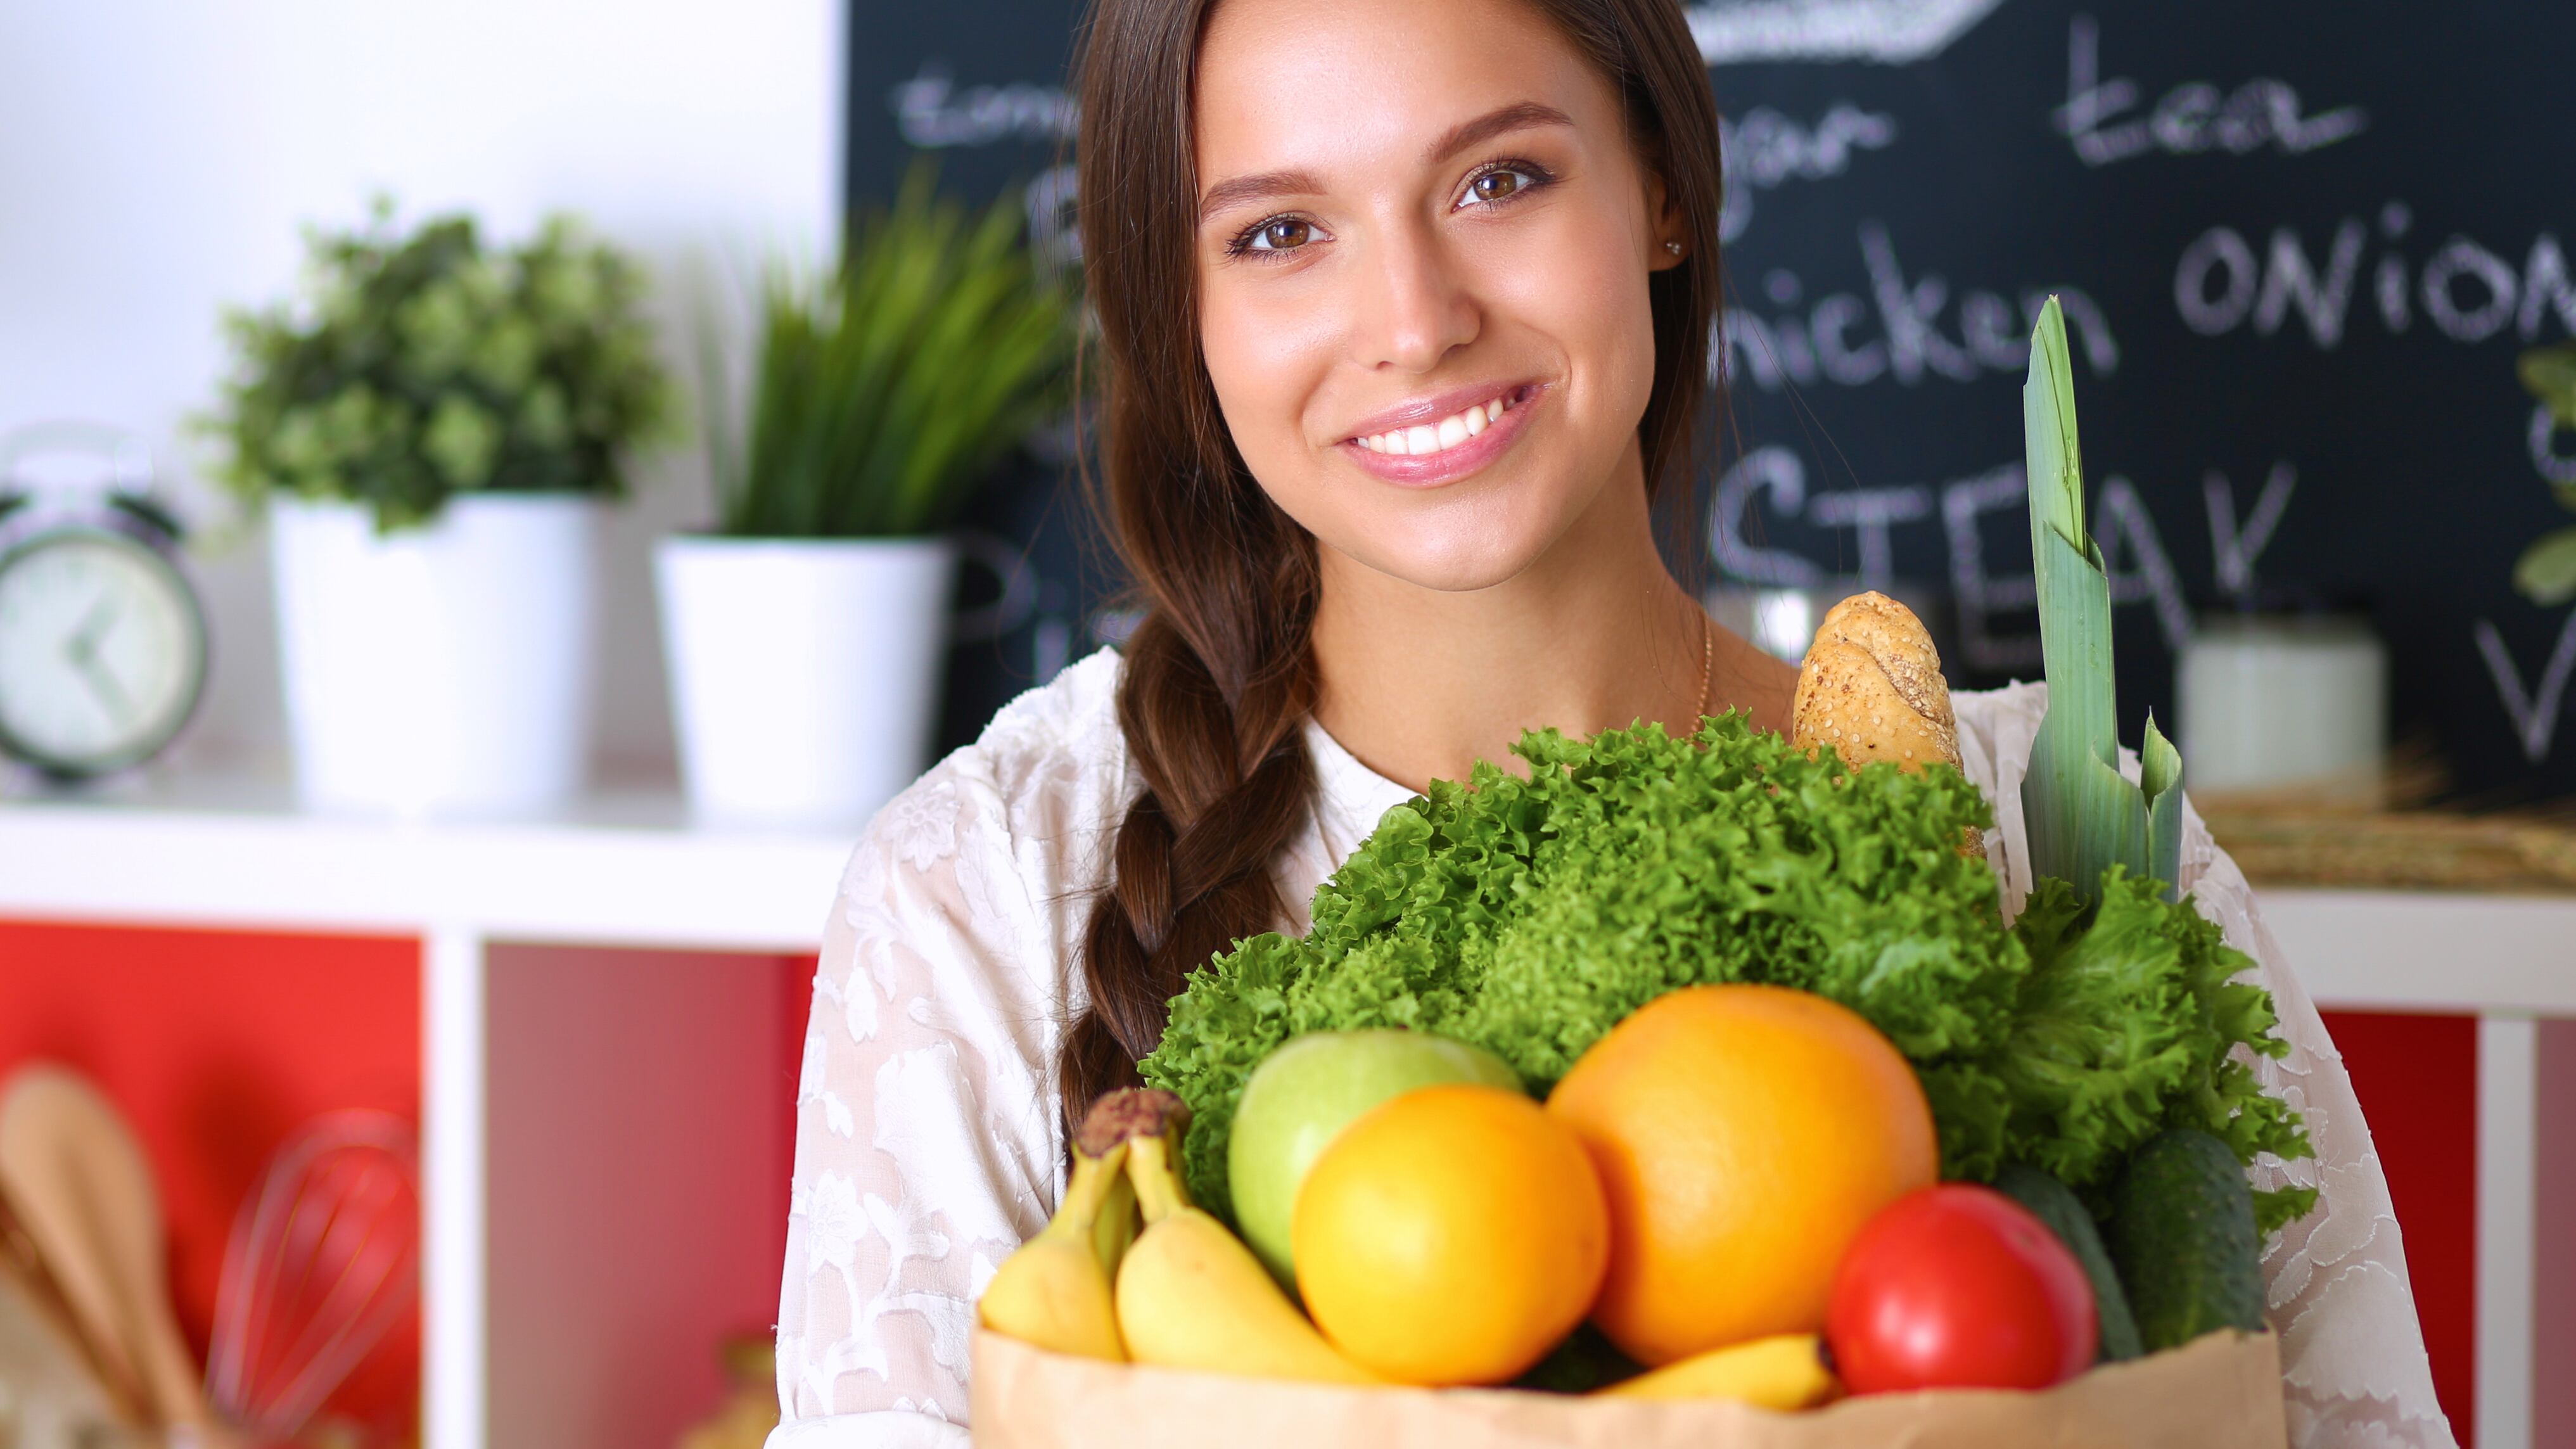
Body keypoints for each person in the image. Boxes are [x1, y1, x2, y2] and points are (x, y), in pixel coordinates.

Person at [767, 0, 2453, 1444]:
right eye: (1279, 232)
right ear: (1183, 311)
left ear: (1656, 186)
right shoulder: (987, 894)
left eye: (1498, 179)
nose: (1413, 319)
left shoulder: (2055, 838)